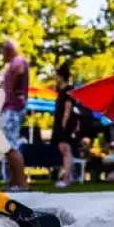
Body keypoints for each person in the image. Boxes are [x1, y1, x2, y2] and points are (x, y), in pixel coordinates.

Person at [0, 39, 29, 191]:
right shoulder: (13, 64)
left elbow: (19, 70)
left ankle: (22, 183)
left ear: (9, 50)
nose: (1, 54)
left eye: (3, 50)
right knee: (7, 147)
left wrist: (9, 92)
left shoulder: (18, 61)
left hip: (13, 108)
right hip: (10, 108)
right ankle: (14, 182)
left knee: (11, 147)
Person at [51, 60, 78, 188]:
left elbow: (68, 109)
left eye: (57, 75)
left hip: (64, 125)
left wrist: (63, 125)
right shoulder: (60, 91)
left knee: (65, 149)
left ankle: (66, 178)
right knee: (63, 150)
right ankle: (66, 175)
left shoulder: (68, 91)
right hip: (59, 124)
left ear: (61, 77)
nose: (55, 78)